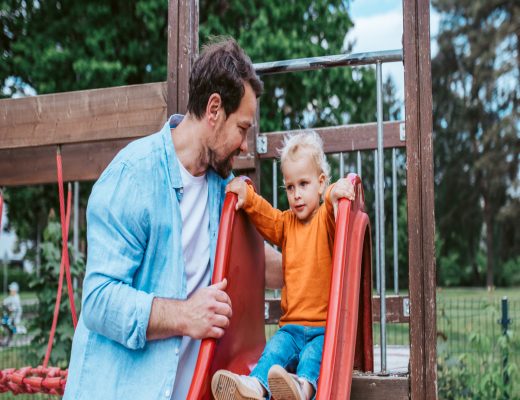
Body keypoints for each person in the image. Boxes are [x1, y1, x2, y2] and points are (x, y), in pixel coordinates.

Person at [64, 37, 281, 399]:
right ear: (214, 109)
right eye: (242, 129)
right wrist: (186, 315)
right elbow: (99, 301)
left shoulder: (222, 189)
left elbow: (259, 261)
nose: (245, 145)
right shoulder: (133, 176)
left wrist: (323, 259)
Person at [211, 131, 355, 400]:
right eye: (290, 187)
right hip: (290, 327)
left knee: (313, 359)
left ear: (321, 183)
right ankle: (254, 387)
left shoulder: (325, 219)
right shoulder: (287, 225)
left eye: (304, 184)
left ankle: (301, 390)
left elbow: (332, 204)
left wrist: (337, 192)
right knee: (273, 352)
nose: (297, 195)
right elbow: (267, 217)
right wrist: (248, 196)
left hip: (324, 328)